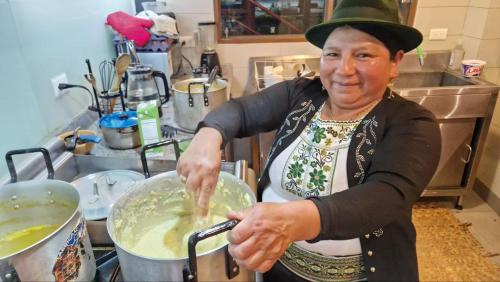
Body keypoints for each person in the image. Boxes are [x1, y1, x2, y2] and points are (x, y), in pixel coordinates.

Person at [176, 0, 441, 281]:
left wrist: (295, 221)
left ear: (395, 61)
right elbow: (239, 111)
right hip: (277, 267)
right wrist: (208, 135)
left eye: (363, 55)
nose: (344, 69)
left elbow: (386, 196)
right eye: (332, 54)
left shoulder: (412, 122)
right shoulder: (302, 94)